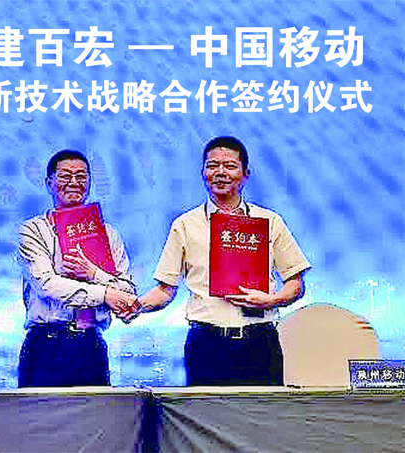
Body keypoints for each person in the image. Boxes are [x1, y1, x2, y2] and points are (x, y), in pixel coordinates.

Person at [136, 136, 311, 386]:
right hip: (206, 344)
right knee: (205, 411)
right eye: (212, 165)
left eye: (229, 166)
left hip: (260, 341)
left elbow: (295, 283)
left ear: (246, 174)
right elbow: (165, 289)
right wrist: (137, 305)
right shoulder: (185, 225)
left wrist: (271, 300)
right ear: (202, 172)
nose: (220, 172)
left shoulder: (270, 221)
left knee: (263, 411)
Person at [17, 150, 136, 387]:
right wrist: (105, 294)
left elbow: (127, 292)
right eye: (65, 176)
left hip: (91, 344)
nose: (74, 182)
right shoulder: (32, 231)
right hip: (46, 343)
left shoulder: (109, 234)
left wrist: (94, 274)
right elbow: (47, 285)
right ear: (49, 182)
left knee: (96, 411)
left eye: (81, 177)